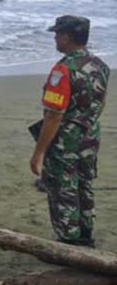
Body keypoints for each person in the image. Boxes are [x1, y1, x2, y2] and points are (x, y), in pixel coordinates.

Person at [30, 15, 109, 247]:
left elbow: (54, 114)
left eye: (57, 34)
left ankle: (69, 240)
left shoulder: (63, 70)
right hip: (90, 135)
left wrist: (39, 152)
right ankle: (86, 232)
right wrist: (86, 122)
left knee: (62, 188)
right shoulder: (100, 66)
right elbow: (101, 102)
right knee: (84, 183)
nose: (55, 38)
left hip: (66, 140)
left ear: (67, 36)